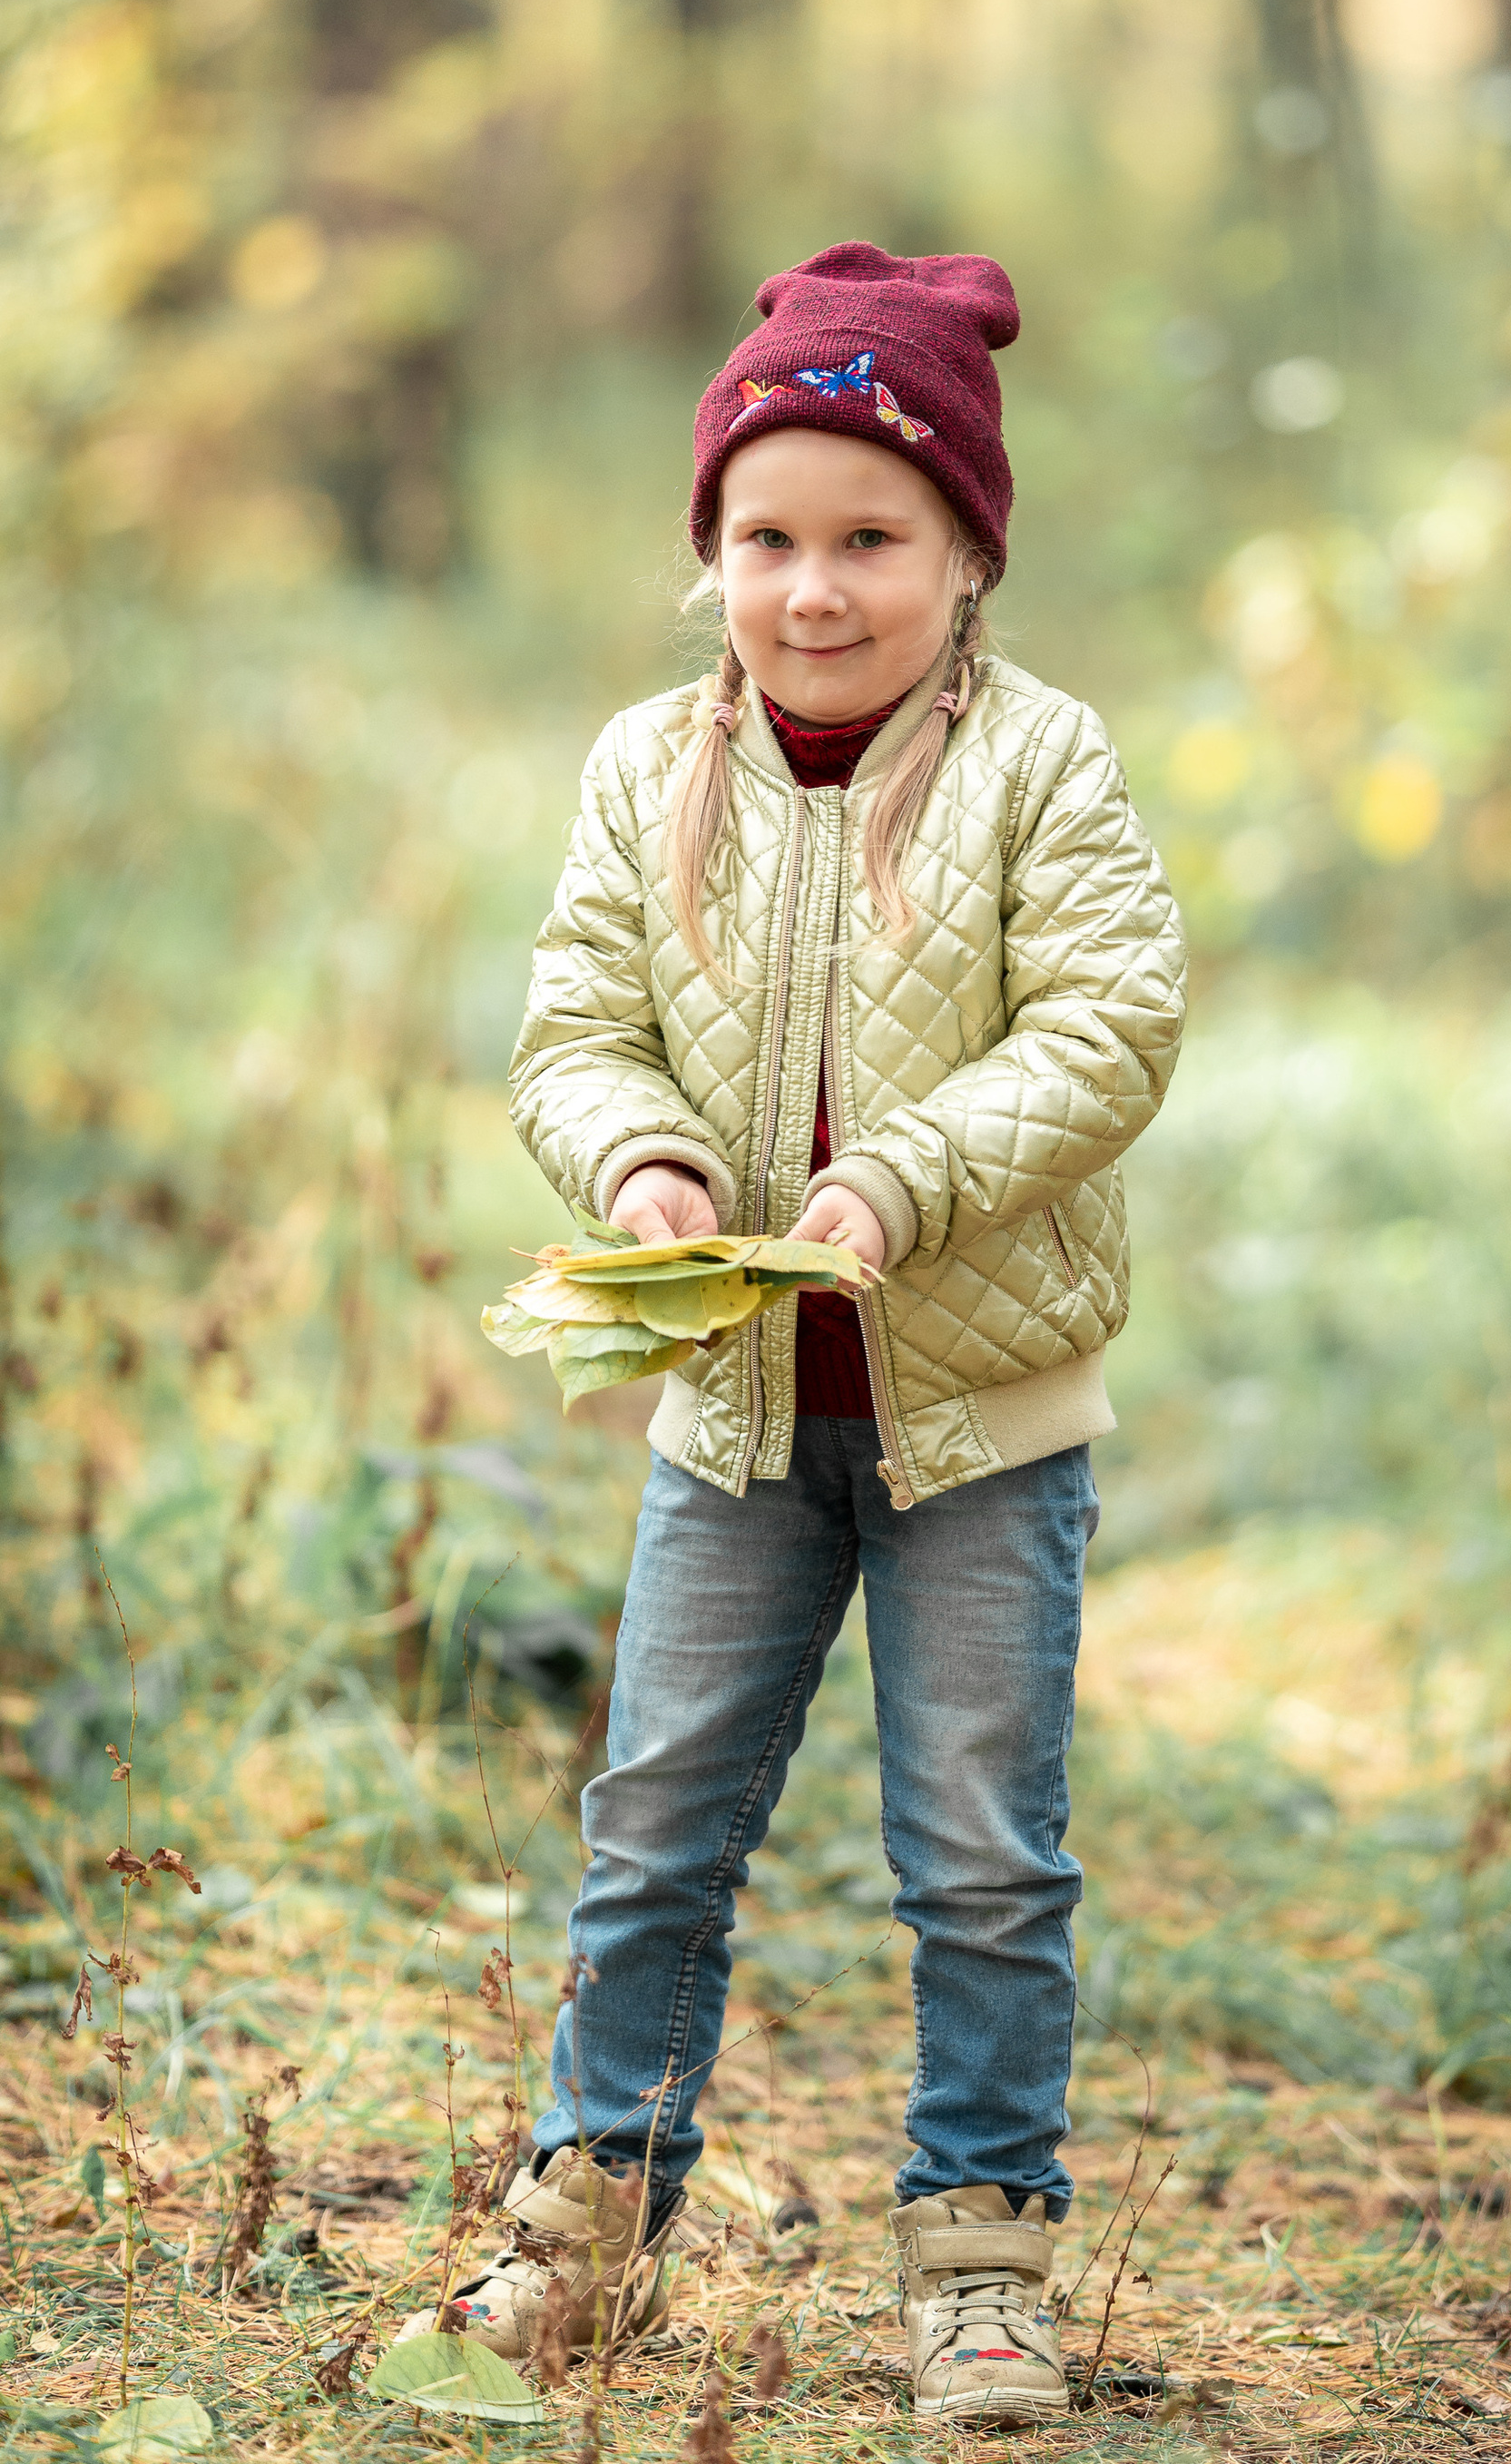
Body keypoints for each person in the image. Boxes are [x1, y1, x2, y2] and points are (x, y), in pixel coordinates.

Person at [398, 241, 1188, 2423]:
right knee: (656, 1814)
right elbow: (574, 1026)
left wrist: (909, 1173)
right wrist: (639, 1161)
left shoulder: (1041, 765)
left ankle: (980, 2264)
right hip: (732, 1417)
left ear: (963, 555)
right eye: (767, 538)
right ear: (710, 554)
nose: (813, 588)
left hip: (976, 1419)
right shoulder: (653, 771)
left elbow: (1113, 1021)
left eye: (869, 538)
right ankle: (585, 2227)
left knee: (979, 1852)